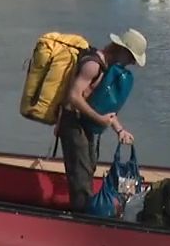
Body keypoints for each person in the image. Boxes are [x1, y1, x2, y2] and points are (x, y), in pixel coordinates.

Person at [56, 28, 147, 213]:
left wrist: (119, 130)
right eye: (131, 58)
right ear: (121, 49)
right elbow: (74, 96)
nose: (132, 63)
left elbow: (104, 106)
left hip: (86, 124)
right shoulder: (93, 65)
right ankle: (82, 219)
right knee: (81, 177)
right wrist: (99, 119)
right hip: (72, 123)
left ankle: (85, 212)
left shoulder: (110, 69)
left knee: (89, 168)